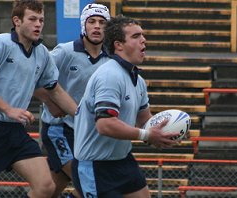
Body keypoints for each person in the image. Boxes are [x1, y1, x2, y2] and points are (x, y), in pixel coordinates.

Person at [0, 1, 77, 198]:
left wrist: (81, 115)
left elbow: (54, 90)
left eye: (41, 20)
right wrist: (8, 109)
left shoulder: (41, 53)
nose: (38, 24)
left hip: (16, 132)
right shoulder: (2, 43)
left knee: (46, 187)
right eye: (32, 19)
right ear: (17, 21)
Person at [72, 15, 180, 198]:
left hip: (122, 160)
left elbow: (145, 120)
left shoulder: (138, 81)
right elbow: (105, 125)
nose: (143, 40)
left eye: (143, 35)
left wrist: (165, 130)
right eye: (136, 36)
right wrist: (147, 135)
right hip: (95, 165)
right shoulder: (110, 76)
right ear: (118, 45)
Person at [33, 3, 111, 197]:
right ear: (83, 25)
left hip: (88, 134)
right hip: (60, 130)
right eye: (92, 21)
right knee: (90, 184)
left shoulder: (110, 60)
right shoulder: (64, 52)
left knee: (49, 190)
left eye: (102, 22)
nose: (97, 26)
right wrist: (51, 103)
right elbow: (32, 79)